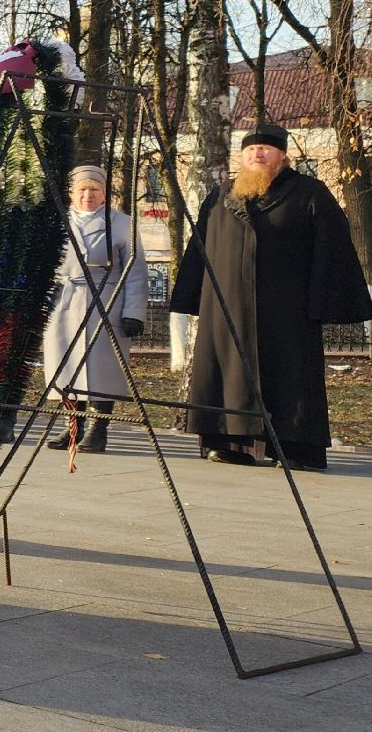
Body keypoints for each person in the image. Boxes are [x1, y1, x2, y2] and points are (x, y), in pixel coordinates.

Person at [171, 124, 371, 471]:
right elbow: (199, 249)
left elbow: (333, 247)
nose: (257, 154)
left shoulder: (309, 193)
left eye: (265, 149)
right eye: (250, 150)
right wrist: (191, 296)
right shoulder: (220, 197)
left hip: (286, 309)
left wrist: (324, 300)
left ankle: (296, 448)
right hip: (227, 307)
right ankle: (228, 443)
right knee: (228, 375)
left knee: (290, 377)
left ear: (282, 156)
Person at [41, 166, 146, 452]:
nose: (88, 195)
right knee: (67, 365)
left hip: (107, 300)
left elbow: (135, 272)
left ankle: (99, 429)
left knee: (103, 367)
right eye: (82, 190)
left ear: (103, 195)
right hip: (63, 301)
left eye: (94, 190)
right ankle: (72, 426)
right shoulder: (56, 222)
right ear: (72, 194)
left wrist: (133, 312)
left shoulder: (122, 224)